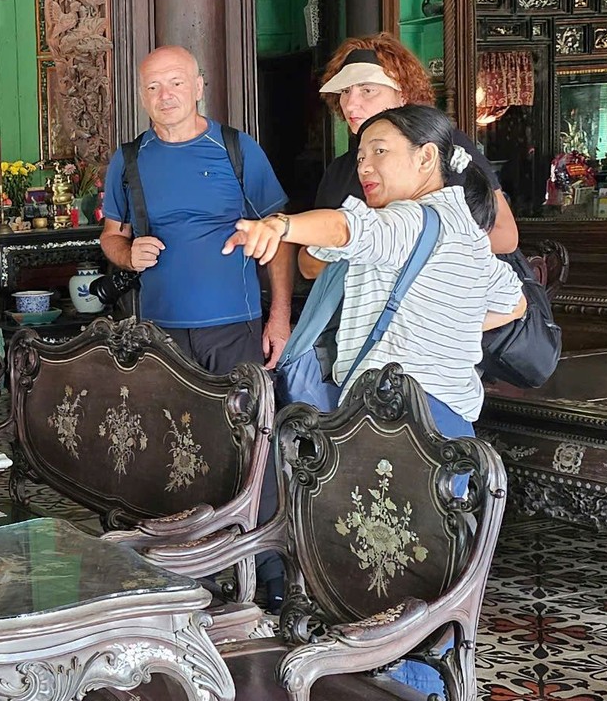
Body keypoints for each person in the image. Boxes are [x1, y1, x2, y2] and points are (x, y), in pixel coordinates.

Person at [225, 105, 527, 436]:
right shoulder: (467, 230)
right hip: (451, 425)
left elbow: (346, 228)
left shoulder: (408, 221)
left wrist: (280, 225)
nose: (364, 167)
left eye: (379, 151)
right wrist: (438, 322)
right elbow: (514, 303)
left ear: (425, 158)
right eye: (360, 158)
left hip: (394, 423)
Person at [99, 45, 293, 373]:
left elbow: (282, 234)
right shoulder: (128, 158)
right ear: (142, 97)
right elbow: (111, 237)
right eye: (153, 87)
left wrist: (280, 318)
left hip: (235, 326)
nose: (165, 95)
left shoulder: (237, 148)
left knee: (240, 421)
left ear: (199, 87)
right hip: (158, 330)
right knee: (168, 424)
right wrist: (128, 254)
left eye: (177, 82)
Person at [300, 35, 518, 282]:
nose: (351, 104)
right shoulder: (340, 170)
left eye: (367, 90)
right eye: (345, 91)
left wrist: (404, 248)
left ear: (403, 94)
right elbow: (308, 262)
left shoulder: (444, 146)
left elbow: (505, 235)